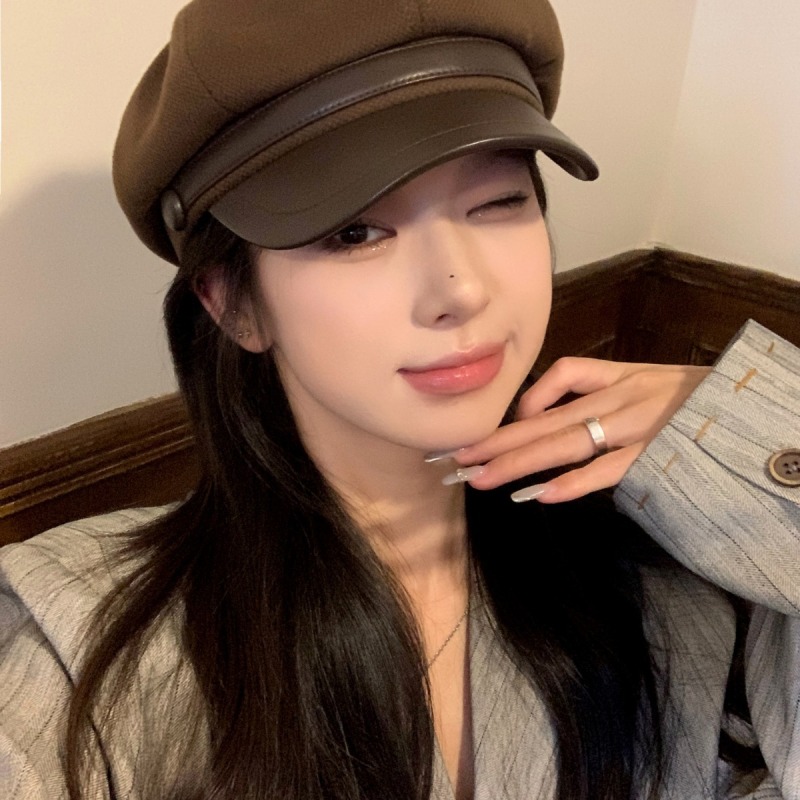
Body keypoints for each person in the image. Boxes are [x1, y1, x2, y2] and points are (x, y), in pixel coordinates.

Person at [1, 0, 798, 798]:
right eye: (355, 231)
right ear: (233, 304)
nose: (460, 289)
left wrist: (764, 431)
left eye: (499, 201)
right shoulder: (86, 652)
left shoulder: (668, 574)